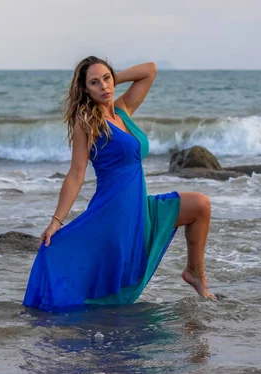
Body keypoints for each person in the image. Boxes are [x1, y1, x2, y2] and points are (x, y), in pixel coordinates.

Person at [23, 56, 214, 311]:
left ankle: (194, 273)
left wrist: (113, 80)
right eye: (94, 83)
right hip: (113, 213)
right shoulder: (88, 122)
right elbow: (76, 174)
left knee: (200, 205)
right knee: (105, 284)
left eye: (105, 78)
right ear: (84, 89)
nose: (103, 86)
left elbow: (150, 70)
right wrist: (56, 221)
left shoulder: (123, 110)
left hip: (138, 208)